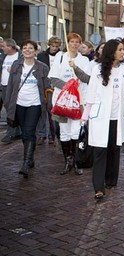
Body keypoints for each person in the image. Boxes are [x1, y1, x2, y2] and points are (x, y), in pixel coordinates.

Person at [81, 39, 124, 200]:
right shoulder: (98, 69)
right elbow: (90, 95)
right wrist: (85, 117)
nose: (122, 51)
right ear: (111, 52)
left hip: (116, 117)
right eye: (119, 49)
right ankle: (98, 186)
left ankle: (111, 180)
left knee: (113, 149)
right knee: (99, 151)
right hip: (100, 117)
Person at [5, 40, 50, 178]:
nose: (27, 50)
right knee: (25, 133)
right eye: (25, 48)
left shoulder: (42, 67)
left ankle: (25, 163)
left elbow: (46, 87)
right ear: (21, 50)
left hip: (35, 104)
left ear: (36, 51)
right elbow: (11, 85)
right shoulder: (16, 65)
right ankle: (30, 158)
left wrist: (48, 105)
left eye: (31, 48)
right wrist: (8, 104)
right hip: (19, 104)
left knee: (29, 131)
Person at [48, 32, 90, 175]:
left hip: (79, 101)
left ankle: (77, 161)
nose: (74, 44)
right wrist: (69, 85)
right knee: (64, 132)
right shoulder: (60, 58)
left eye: (77, 42)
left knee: (76, 132)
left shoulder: (84, 60)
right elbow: (53, 79)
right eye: (72, 42)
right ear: (67, 43)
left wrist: (76, 69)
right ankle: (68, 161)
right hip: (62, 102)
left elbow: (87, 79)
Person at [36, 36, 62, 145]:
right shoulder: (41, 56)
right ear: (49, 45)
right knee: (42, 110)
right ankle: (41, 134)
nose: (54, 48)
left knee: (53, 111)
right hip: (44, 85)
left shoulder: (62, 56)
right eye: (53, 46)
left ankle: (53, 135)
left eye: (57, 46)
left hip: (56, 85)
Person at [1, 38, 22, 143]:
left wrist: (14, 71)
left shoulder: (20, 56)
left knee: (12, 109)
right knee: (8, 107)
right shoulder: (3, 56)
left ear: (10, 47)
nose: (2, 48)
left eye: (4, 46)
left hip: (15, 86)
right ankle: (16, 131)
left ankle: (11, 133)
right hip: (4, 86)